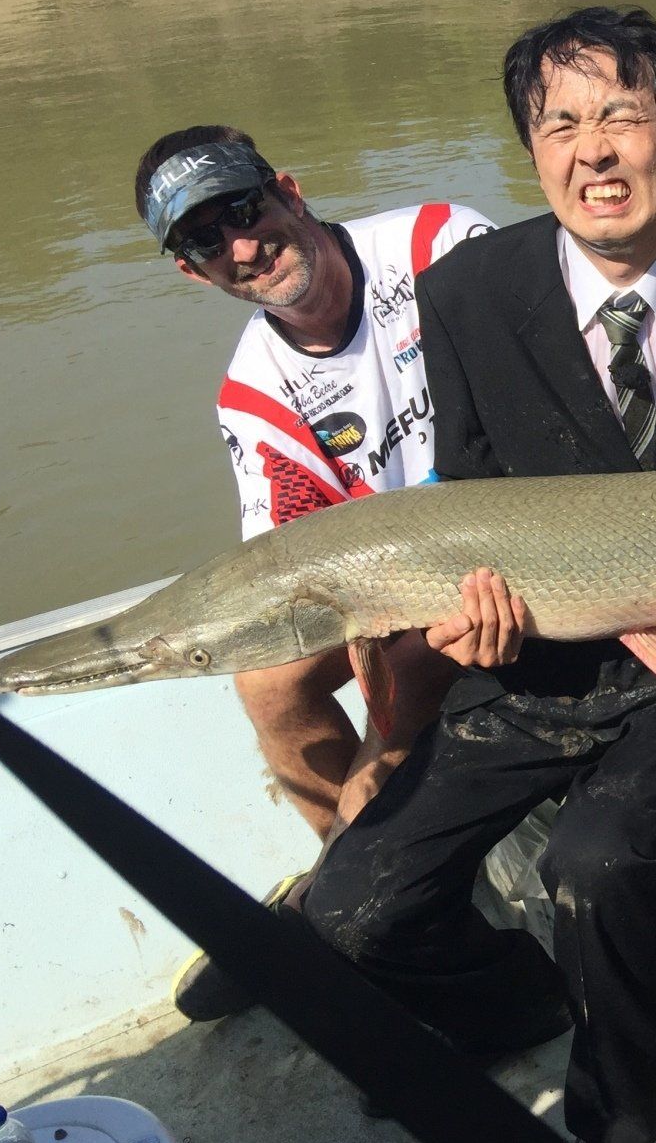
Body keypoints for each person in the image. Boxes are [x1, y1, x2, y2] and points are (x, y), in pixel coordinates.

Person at [296, 7, 656, 1143]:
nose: (596, 152)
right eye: (562, 125)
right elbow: (471, 489)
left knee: (596, 863)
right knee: (349, 913)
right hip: (535, 663)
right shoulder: (468, 291)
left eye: (623, 117)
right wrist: (463, 626)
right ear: (531, 153)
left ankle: (628, 1121)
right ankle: (524, 999)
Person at [133, 128, 494, 847]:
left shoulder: (439, 242)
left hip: (514, 541)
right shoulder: (253, 397)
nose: (242, 248)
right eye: (208, 241)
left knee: (385, 756)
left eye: (242, 210)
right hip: (398, 598)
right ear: (192, 271)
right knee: (265, 681)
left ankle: (356, 863)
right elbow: (291, 576)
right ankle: (347, 850)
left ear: (289, 192)